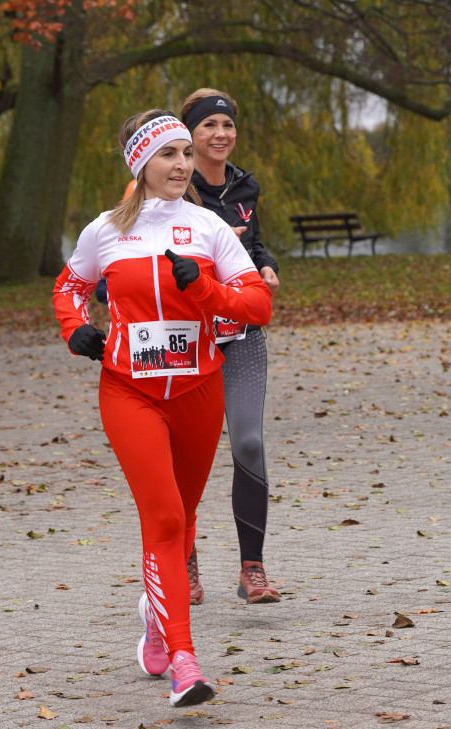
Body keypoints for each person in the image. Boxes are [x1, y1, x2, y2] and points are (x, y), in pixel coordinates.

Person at [53, 109, 272, 707]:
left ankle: (157, 615)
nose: (181, 165)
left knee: (185, 515)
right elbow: (69, 286)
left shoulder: (208, 228)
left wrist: (202, 289)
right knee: (166, 519)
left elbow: (256, 306)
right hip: (130, 390)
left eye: (184, 153)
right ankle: (184, 661)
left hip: (200, 389)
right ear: (140, 164)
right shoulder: (104, 231)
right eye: (168, 155)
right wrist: (76, 329)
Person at [180, 88, 281, 605]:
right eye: (208, 126)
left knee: (248, 444)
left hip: (240, 334)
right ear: (189, 135)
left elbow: (254, 240)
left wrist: (266, 267)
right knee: (185, 460)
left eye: (227, 124)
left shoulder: (245, 185)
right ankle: (185, 565)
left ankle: (253, 569)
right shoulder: (172, 186)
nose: (220, 134)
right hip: (186, 342)